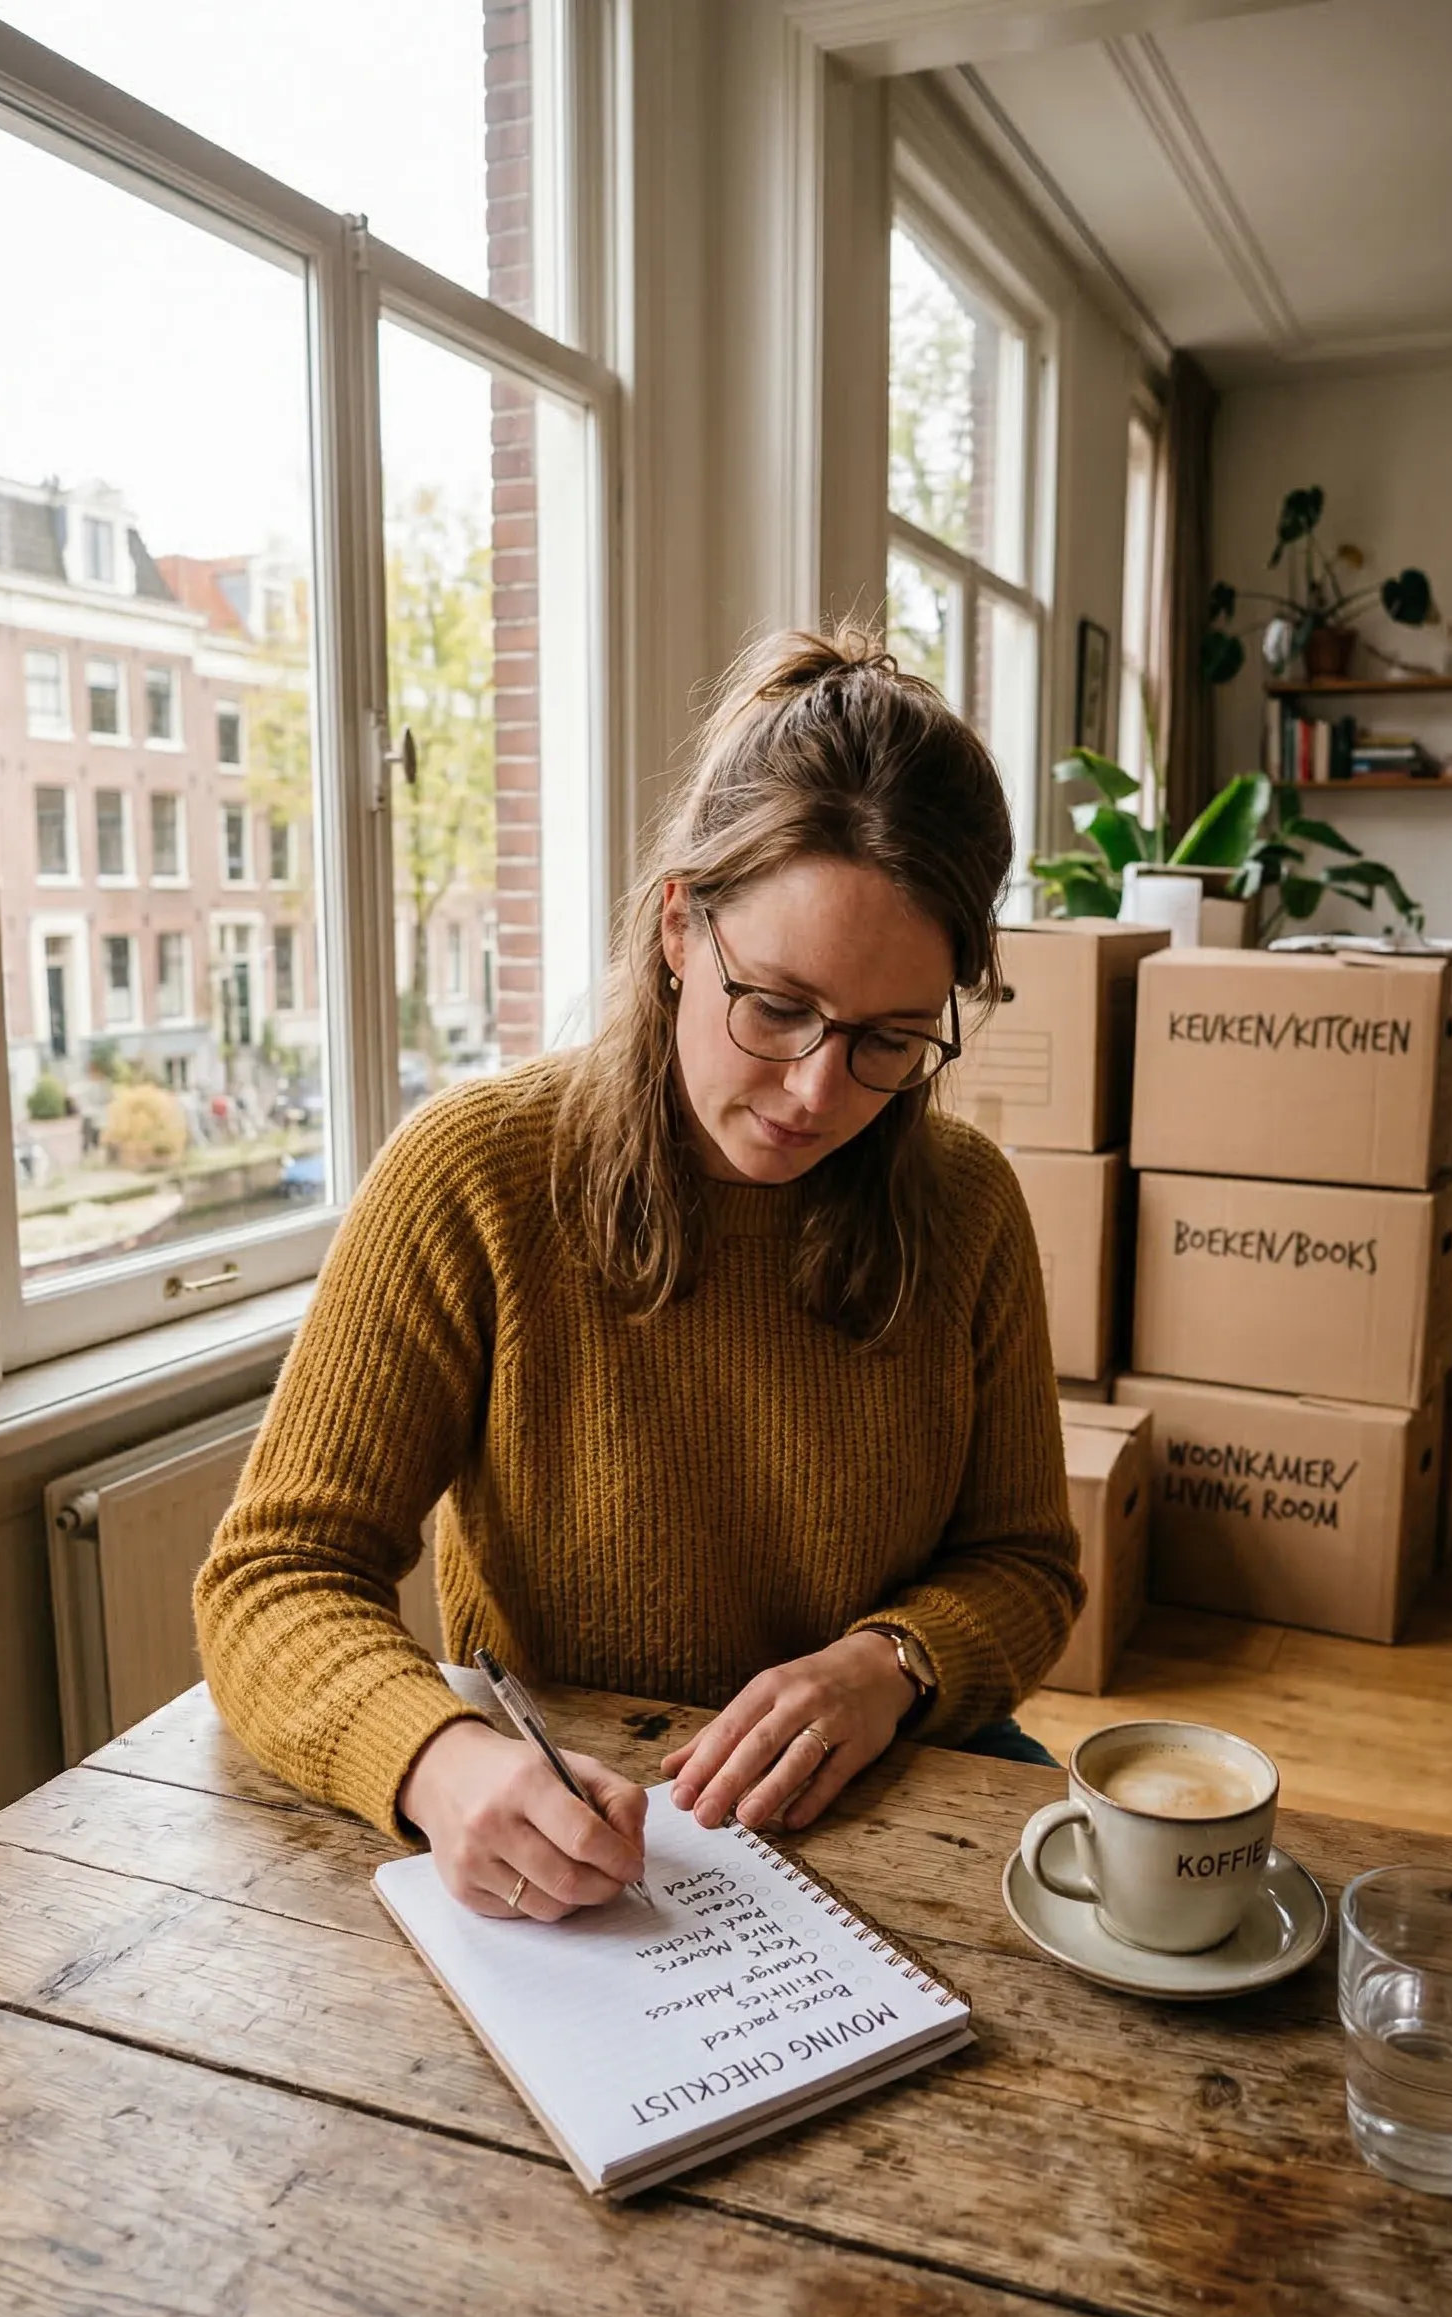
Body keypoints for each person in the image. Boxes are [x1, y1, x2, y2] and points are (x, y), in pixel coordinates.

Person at [193, 627, 1081, 1925]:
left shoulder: (965, 1206)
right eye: (775, 1006)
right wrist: (437, 1763)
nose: (817, 1092)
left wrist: (895, 1661)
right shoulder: (476, 1176)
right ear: (680, 925)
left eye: (892, 1040)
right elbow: (272, 1576)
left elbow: (1027, 1565)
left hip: (886, 1798)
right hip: (576, 1836)